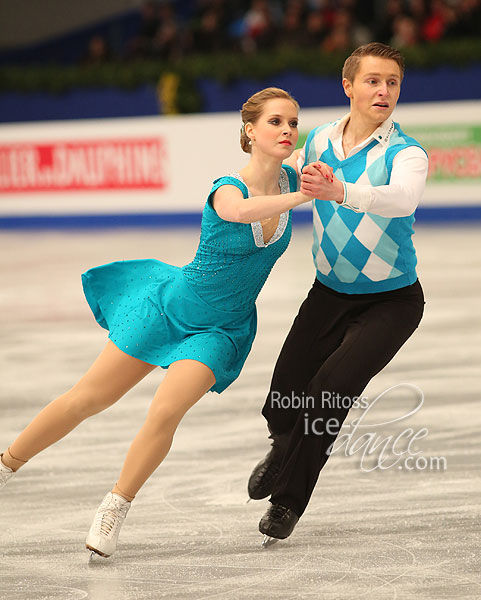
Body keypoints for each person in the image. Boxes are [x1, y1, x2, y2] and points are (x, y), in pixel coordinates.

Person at [0, 87, 314, 559]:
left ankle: (115, 506)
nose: (287, 130)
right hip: (170, 307)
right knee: (89, 398)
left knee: (166, 411)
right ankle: (6, 465)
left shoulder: (293, 177)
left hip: (220, 331)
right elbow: (237, 212)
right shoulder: (227, 185)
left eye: (292, 122)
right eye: (275, 122)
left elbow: (337, 145)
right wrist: (299, 199)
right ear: (249, 130)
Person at [247, 43, 428, 547]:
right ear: (348, 86)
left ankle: (287, 502)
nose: (383, 91)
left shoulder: (405, 152)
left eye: (392, 82)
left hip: (392, 303)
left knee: (330, 389)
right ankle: (282, 445)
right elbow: (284, 170)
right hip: (328, 295)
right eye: (373, 81)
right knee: (284, 395)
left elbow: (402, 199)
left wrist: (340, 192)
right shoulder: (321, 138)